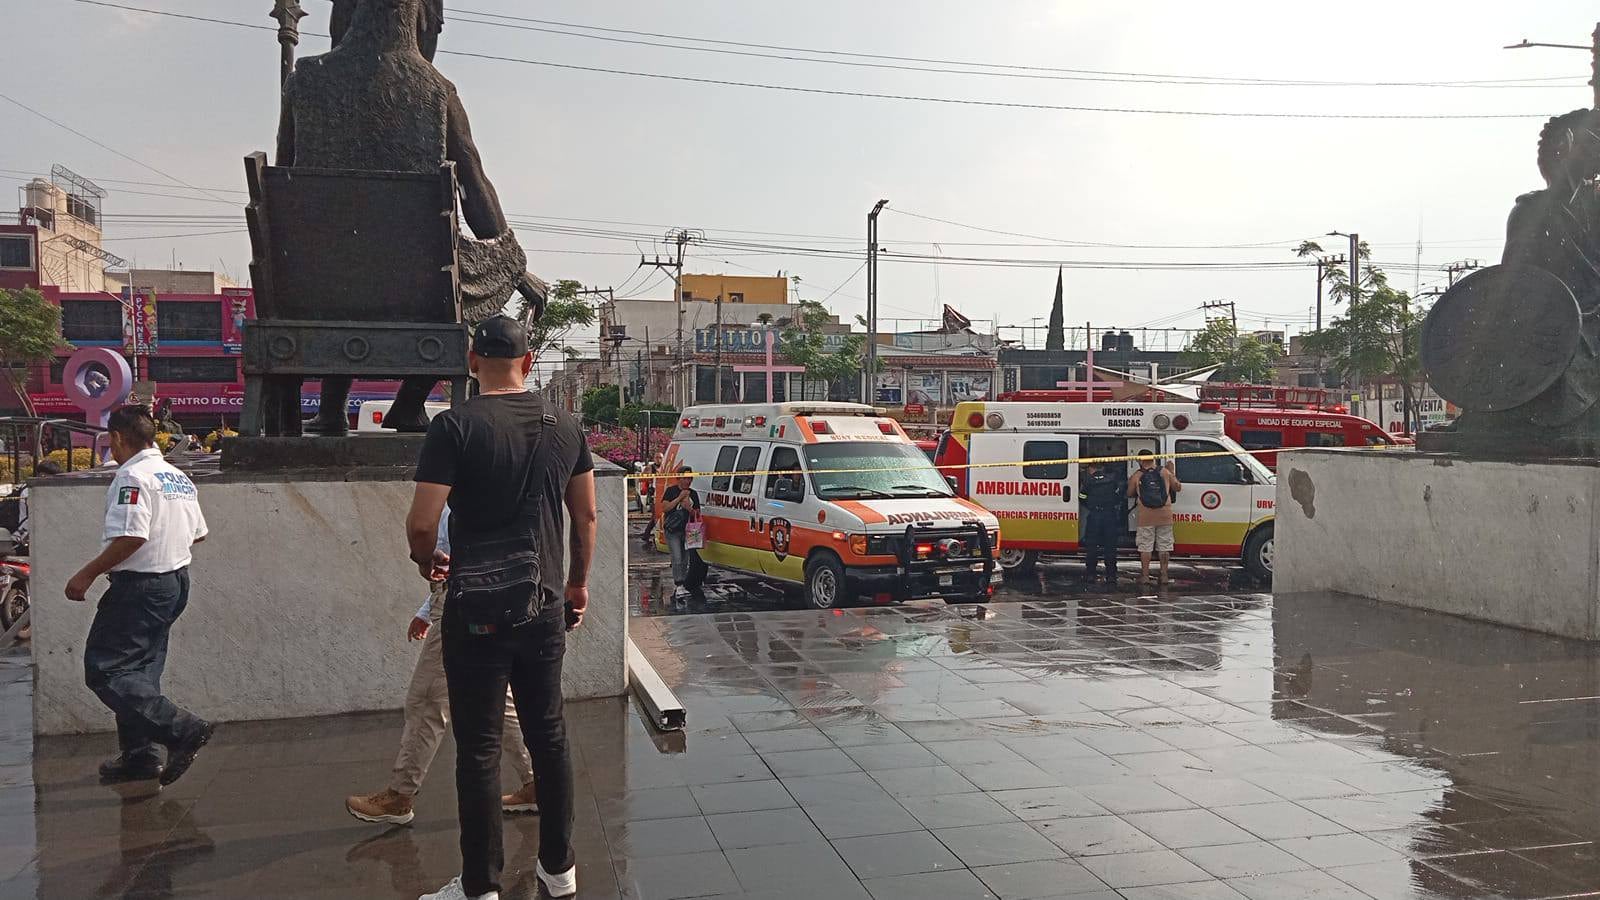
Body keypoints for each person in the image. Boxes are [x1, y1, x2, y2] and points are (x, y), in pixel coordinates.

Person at [409, 316, 595, 900]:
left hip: (475, 610)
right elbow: (585, 518)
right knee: (550, 735)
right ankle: (559, 872)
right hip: (542, 606)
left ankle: (482, 888)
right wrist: (578, 585)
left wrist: (426, 561)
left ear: (471, 361)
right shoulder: (563, 425)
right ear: (529, 359)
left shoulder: (454, 427)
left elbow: (421, 523)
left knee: (480, 747)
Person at [345, 507, 538, 827]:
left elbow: (431, 542)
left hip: (459, 603)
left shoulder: (458, 479)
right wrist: (426, 609)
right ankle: (536, 783)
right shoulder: (488, 480)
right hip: (485, 598)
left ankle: (400, 794)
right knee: (496, 700)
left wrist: (423, 559)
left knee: (427, 701)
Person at [66, 405, 213, 786]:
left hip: (141, 588)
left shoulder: (132, 477)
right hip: (173, 583)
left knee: (107, 669)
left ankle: (181, 730)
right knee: (140, 673)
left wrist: (87, 572)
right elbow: (199, 533)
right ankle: (140, 756)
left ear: (116, 437)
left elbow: (132, 535)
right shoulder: (176, 475)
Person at [1127, 449, 1181, 589]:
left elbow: (1129, 493)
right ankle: (1164, 575)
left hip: (1146, 517)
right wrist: (1172, 472)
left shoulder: (1137, 475)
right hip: (1165, 515)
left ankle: (1145, 576)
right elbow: (1178, 487)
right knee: (1164, 546)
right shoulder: (1164, 472)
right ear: (1153, 459)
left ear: (1140, 460)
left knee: (1145, 546)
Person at [1080, 461, 1127, 587]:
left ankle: (1090, 574)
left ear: (1092, 468)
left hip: (1095, 515)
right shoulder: (1112, 480)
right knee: (1110, 547)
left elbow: (1082, 496)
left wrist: (1090, 505)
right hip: (1109, 516)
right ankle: (1111, 575)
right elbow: (1119, 497)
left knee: (1091, 546)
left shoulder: (1089, 481)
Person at [660, 465, 701, 599]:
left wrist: (689, 509)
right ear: (678, 478)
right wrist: (679, 499)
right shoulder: (671, 491)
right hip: (672, 530)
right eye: (685, 478)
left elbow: (697, 514)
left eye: (690, 479)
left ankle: (682, 583)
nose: (687, 481)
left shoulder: (693, 493)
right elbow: (665, 508)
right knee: (676, 557)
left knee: (685, 559)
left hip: (688, 530)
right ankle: (678, 584)